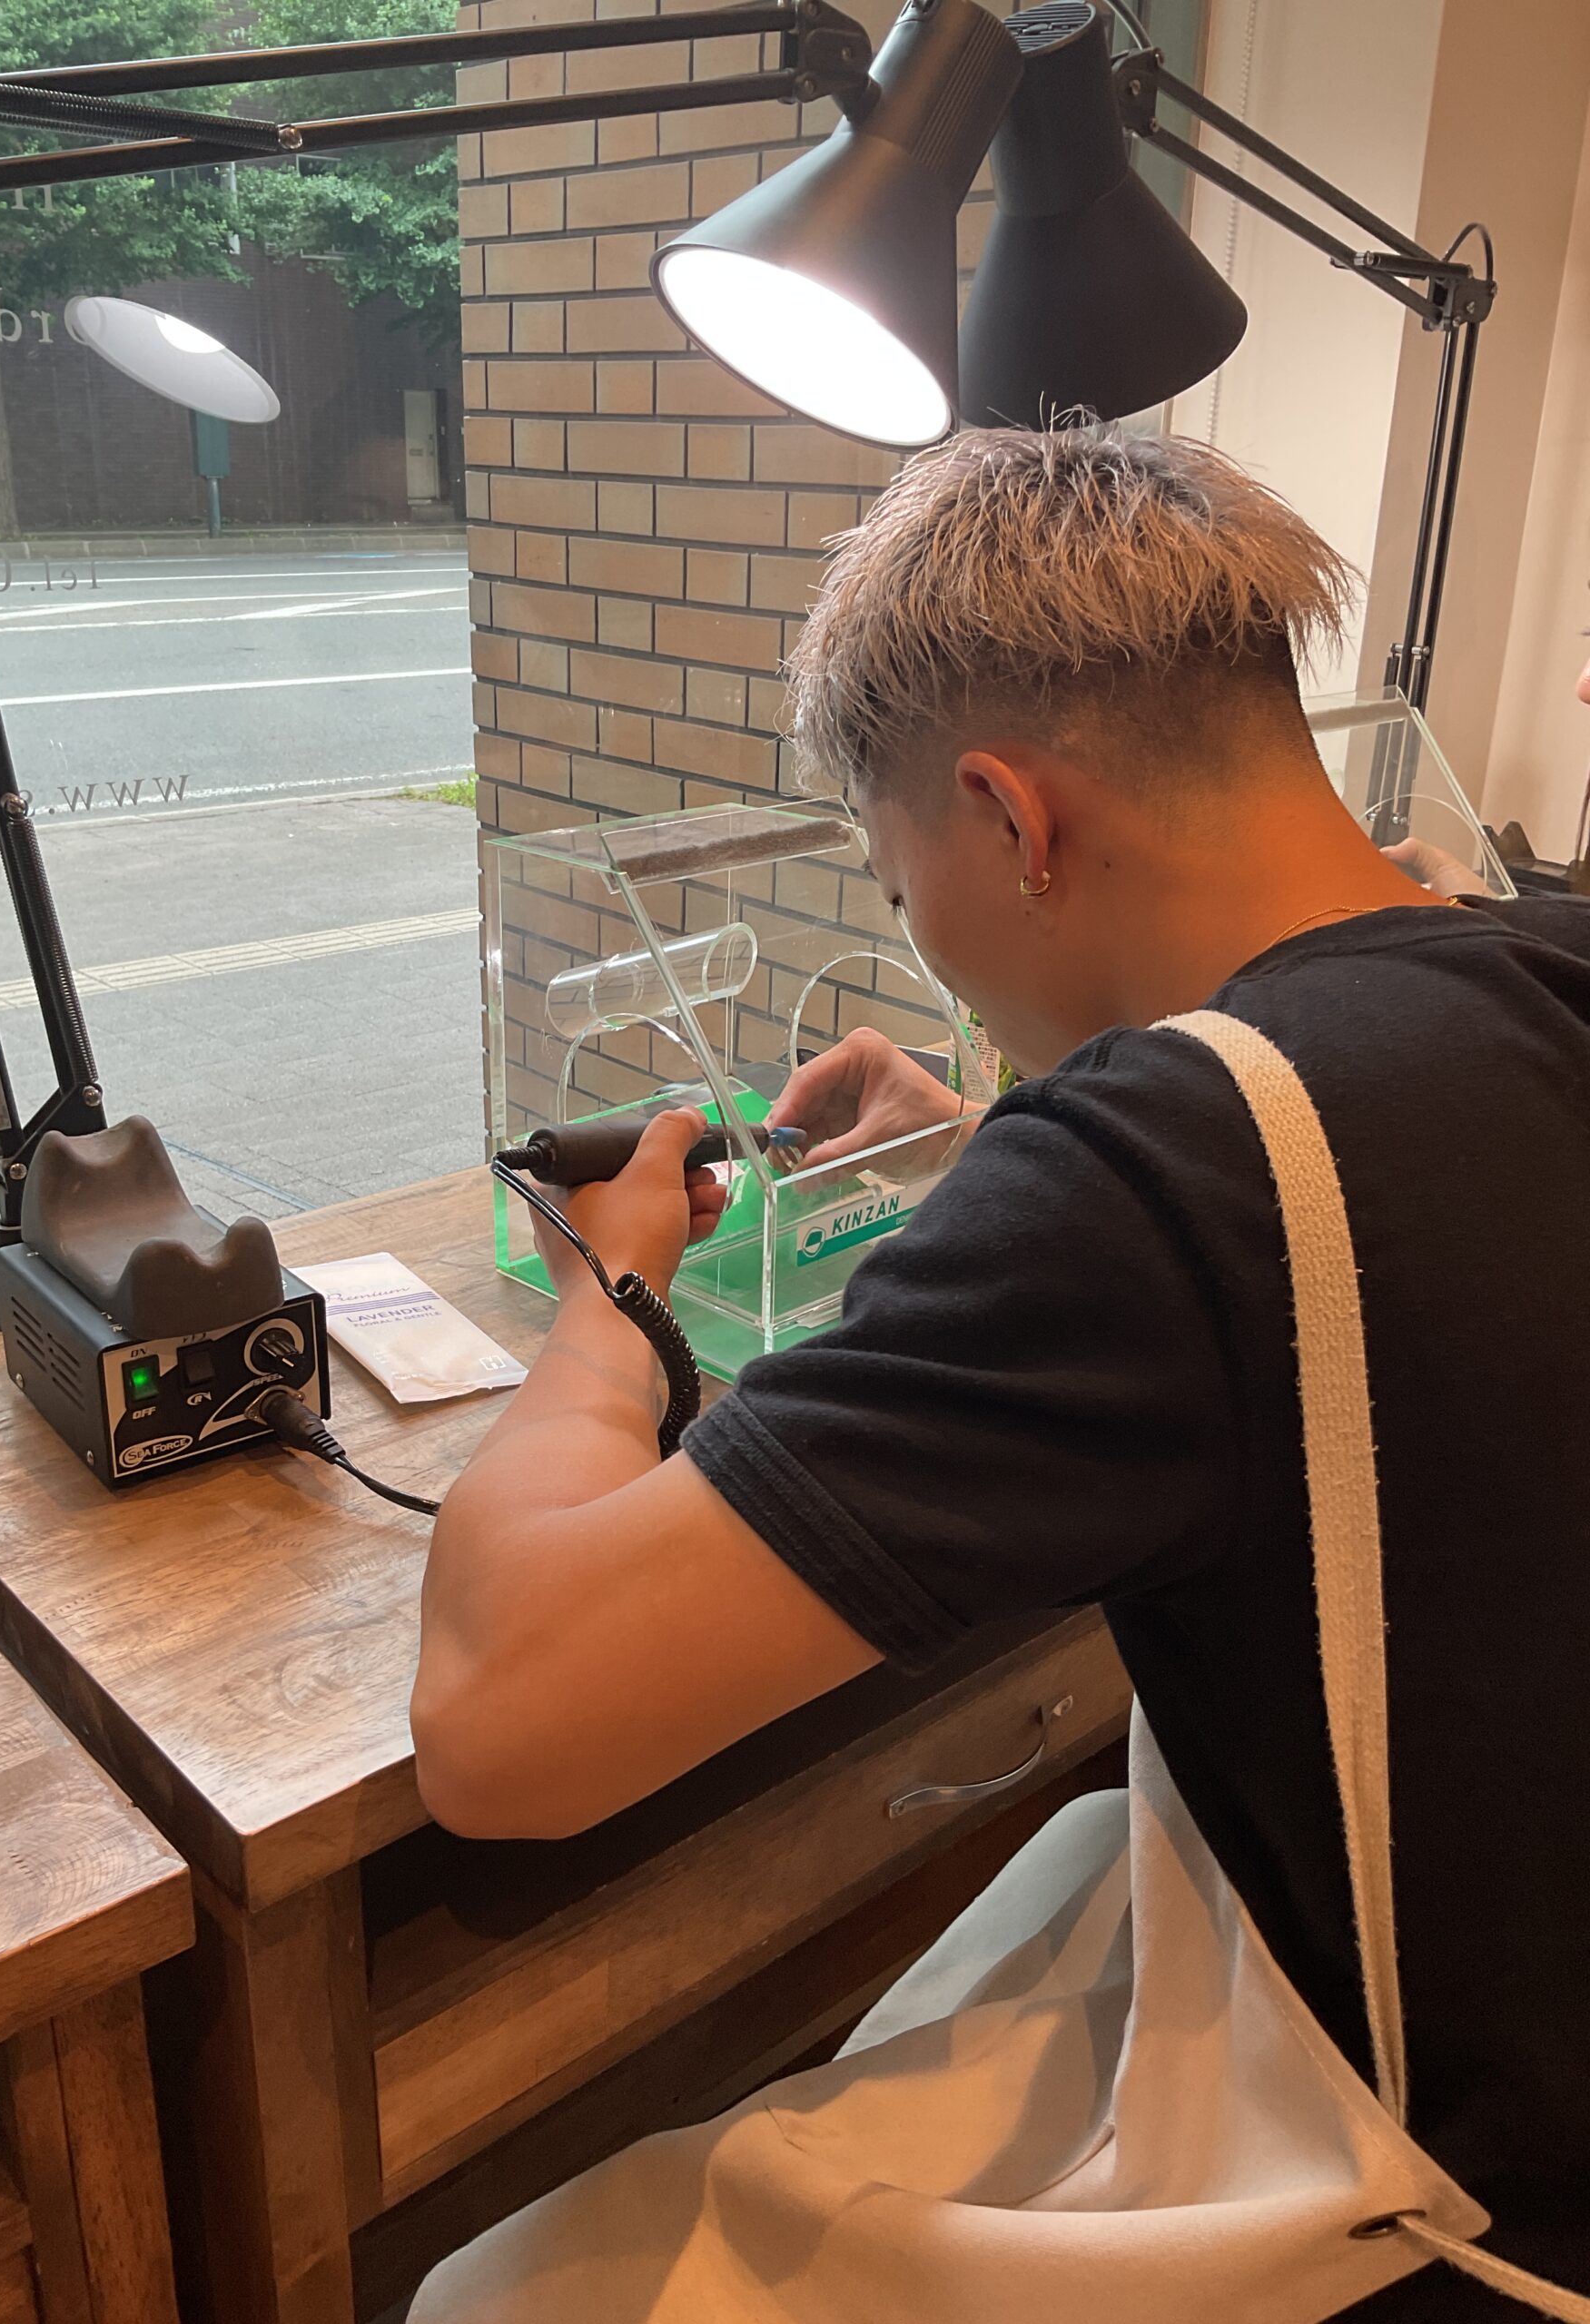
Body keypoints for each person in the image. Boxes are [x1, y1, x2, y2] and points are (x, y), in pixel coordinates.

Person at [410, 426, 1590, 2320]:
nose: (929, 950)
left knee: (497, 2293)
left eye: (900, 889)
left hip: (1474, 2216)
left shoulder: (1164, 1176)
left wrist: (609, 1295)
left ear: (1011, 818)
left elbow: (496, 1722)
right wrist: (997, 1155)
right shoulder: (1538, 961)